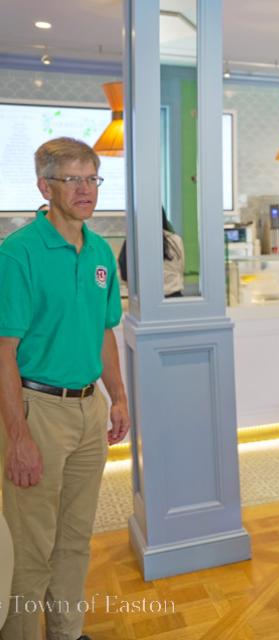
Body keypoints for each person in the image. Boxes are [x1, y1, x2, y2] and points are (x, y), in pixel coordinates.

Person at [0, 137, 130, 640]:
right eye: (72, 180)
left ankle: (67, 632)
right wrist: (18, 436)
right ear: (44, 187)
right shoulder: (18, 254)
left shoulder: (99, 249)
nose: (85, 190)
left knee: (75, 538)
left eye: (92, 179)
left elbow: (103, 331)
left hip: (87, 408)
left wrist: (117, 397)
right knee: (30, 545)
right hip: (36, 409)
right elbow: (3, 350)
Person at [117, 207, 185, 297]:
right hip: (174, 297)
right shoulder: (175, 240)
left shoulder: (134, 241)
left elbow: (125, 274)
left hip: (146, 299)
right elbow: (180, 269)